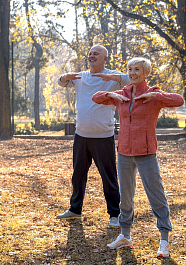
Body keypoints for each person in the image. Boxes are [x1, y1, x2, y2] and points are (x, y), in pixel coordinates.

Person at [92, 57, 184, 258]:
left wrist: (156, 96)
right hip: (124, 152)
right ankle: (125, 236)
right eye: (130, 69)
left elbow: (179, 100)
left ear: (146, 73)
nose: (132, 73)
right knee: (125, 196)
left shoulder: (153, 95)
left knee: (156, 196)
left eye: (137, 70)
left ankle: (164, 241)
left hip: (146, 153)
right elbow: (96, 98)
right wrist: (110, 93)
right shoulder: (121, 95)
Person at [56, 45, 130, 227]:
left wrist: (111, 77)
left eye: (96, 53)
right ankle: (75, 209)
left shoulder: (113, 76)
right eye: (90, 53)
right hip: (81, 135)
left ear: (105, 58)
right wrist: (65, 77)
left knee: (109, 177)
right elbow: (60, 82)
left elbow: (133, 79)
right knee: (78, 175)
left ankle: (115, 214)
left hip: (103, 136)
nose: (91, 56)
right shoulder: (81, 76)